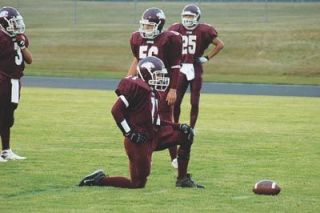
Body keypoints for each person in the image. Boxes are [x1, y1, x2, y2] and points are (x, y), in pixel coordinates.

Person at [79, 56, 204, 188]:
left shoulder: (153, 92)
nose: (161, 79)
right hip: (139, 140)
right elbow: (116, 110)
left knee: (186, 135)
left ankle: (182, 179)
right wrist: (130, 133)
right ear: (147, 74)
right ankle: (99, 180)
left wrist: (178, 126)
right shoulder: (137, 87)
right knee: (137, 184)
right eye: (157, 75)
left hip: (154, 135)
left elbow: (155, 120)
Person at [127, 7, 182, 168]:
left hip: (161, 86)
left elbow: (174, 67)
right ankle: (144, 156)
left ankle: (174, 157)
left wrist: (173, 89)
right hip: (142, 87)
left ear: (159, 25)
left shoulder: (170, 39)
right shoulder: (136, 38)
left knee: (166, 122)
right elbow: (137, 60)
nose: (145, 29)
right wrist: (128, 81)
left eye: (149, 26)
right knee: (140, 122)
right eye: (144, 25)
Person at [168, 4, 224, 130]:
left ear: (197, 17)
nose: (188, 18)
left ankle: (192, 128)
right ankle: (175, 127)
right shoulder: (175, 28)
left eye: (190, 16)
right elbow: (166, 44)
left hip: (195, 67)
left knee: (194, 102)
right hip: (180, 67)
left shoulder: (204, 30)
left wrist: (207, 57)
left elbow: (220, 44)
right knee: (176, 101)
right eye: (186, 16)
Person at [0, 6, 33, 162]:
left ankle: (6, 151)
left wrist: (22, 45)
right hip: (2, 78)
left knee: (8, 118)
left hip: (15, 81)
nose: (17, 25)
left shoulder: (21, 37)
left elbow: (30, 60)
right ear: (5, 22)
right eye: (14, 22)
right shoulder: (0, 37)